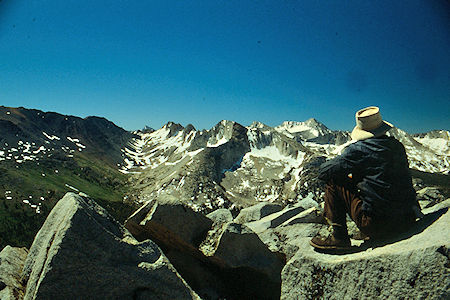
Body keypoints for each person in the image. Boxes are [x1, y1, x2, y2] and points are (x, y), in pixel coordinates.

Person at [310, 106, 421, 250]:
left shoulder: (359, 150)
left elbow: (324, 172)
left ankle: (338, 237)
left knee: (334, 181)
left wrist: (349, 172)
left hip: (378, 225)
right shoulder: (397, 146)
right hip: (407, 219)